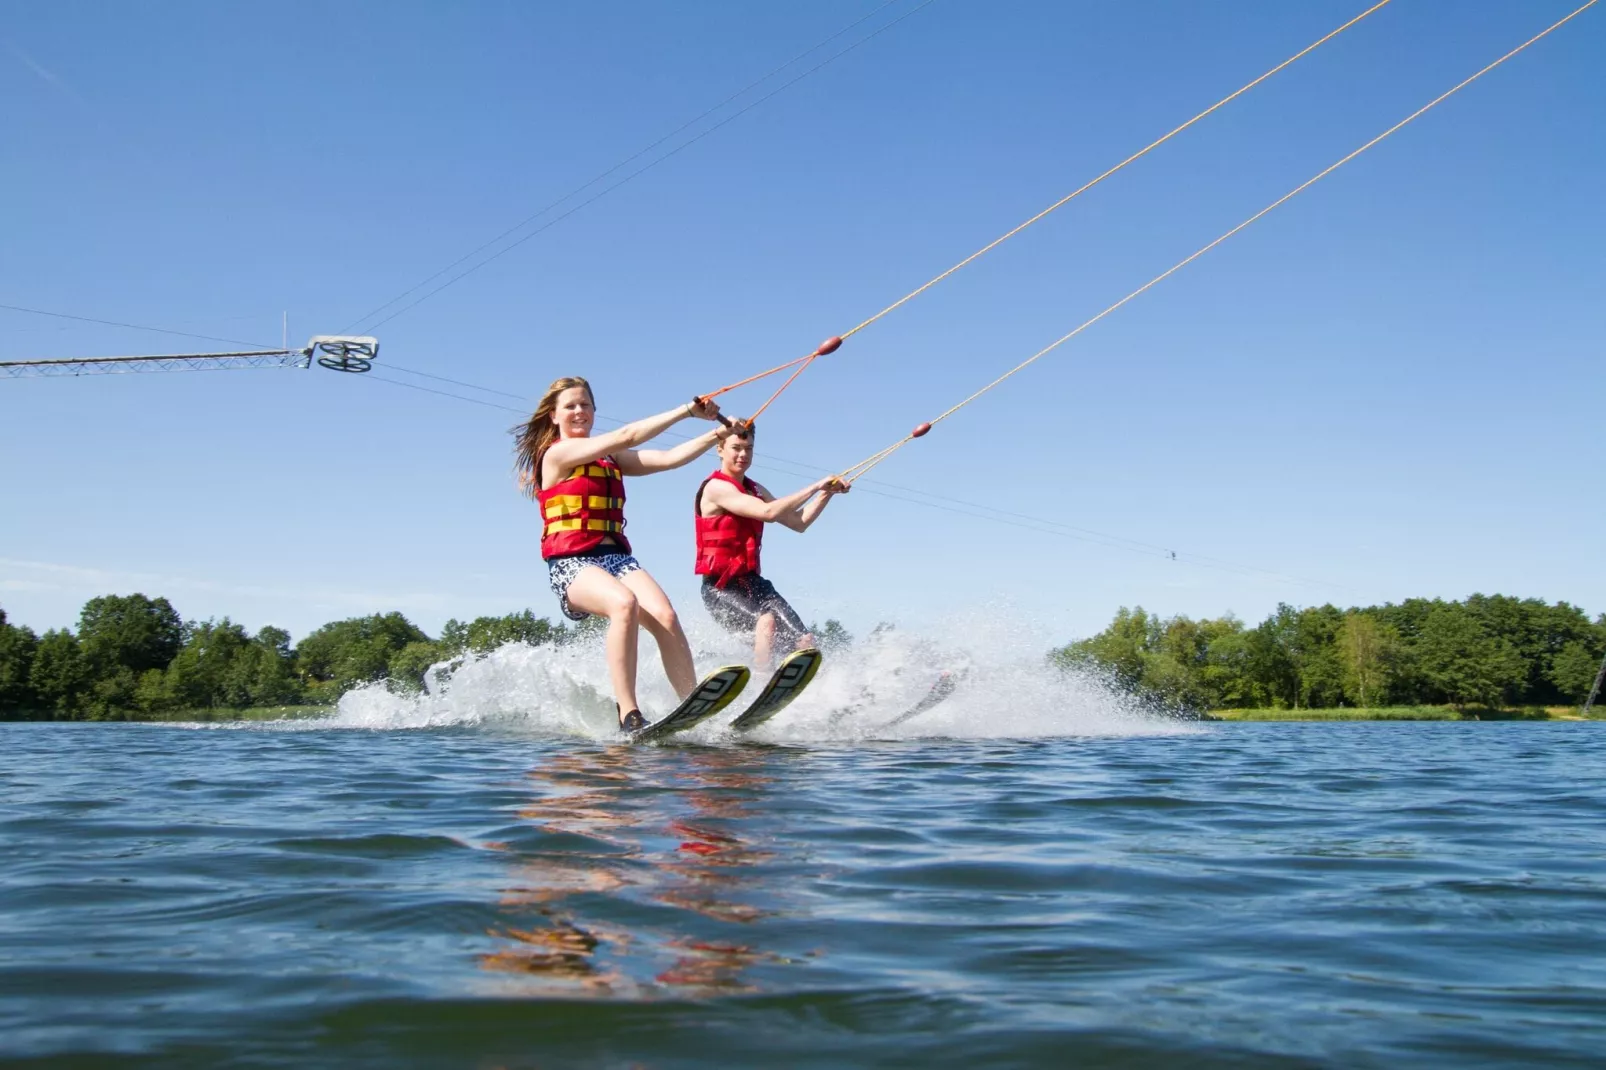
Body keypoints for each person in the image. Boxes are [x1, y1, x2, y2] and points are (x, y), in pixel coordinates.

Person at [513, 376, 724, 733]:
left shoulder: (609, 457)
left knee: (666, 617)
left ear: (594, 411)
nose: (579, 411)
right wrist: (688, 411)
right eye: (571, 406)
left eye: (585, 405)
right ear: (553, 416)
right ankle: (628, 714)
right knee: (624, 604)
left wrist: (717, 435)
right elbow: (627, 435)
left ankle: (693, 706)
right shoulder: (557, 454)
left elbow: (669, 458)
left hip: (617, 560)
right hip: (572, 565)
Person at [695, 422, 846, 669]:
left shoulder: (756, 489)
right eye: (736, 448)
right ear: (720, 449)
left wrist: (826, 494)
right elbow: (767, 512)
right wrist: (815, 485)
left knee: (805, 642)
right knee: (765, 623)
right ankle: (760, 687)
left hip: (754, 584)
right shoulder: (715, 488)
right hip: (720, 590)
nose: (743, 455)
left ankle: (820, 694)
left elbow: (799, 522)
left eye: (749, 449)